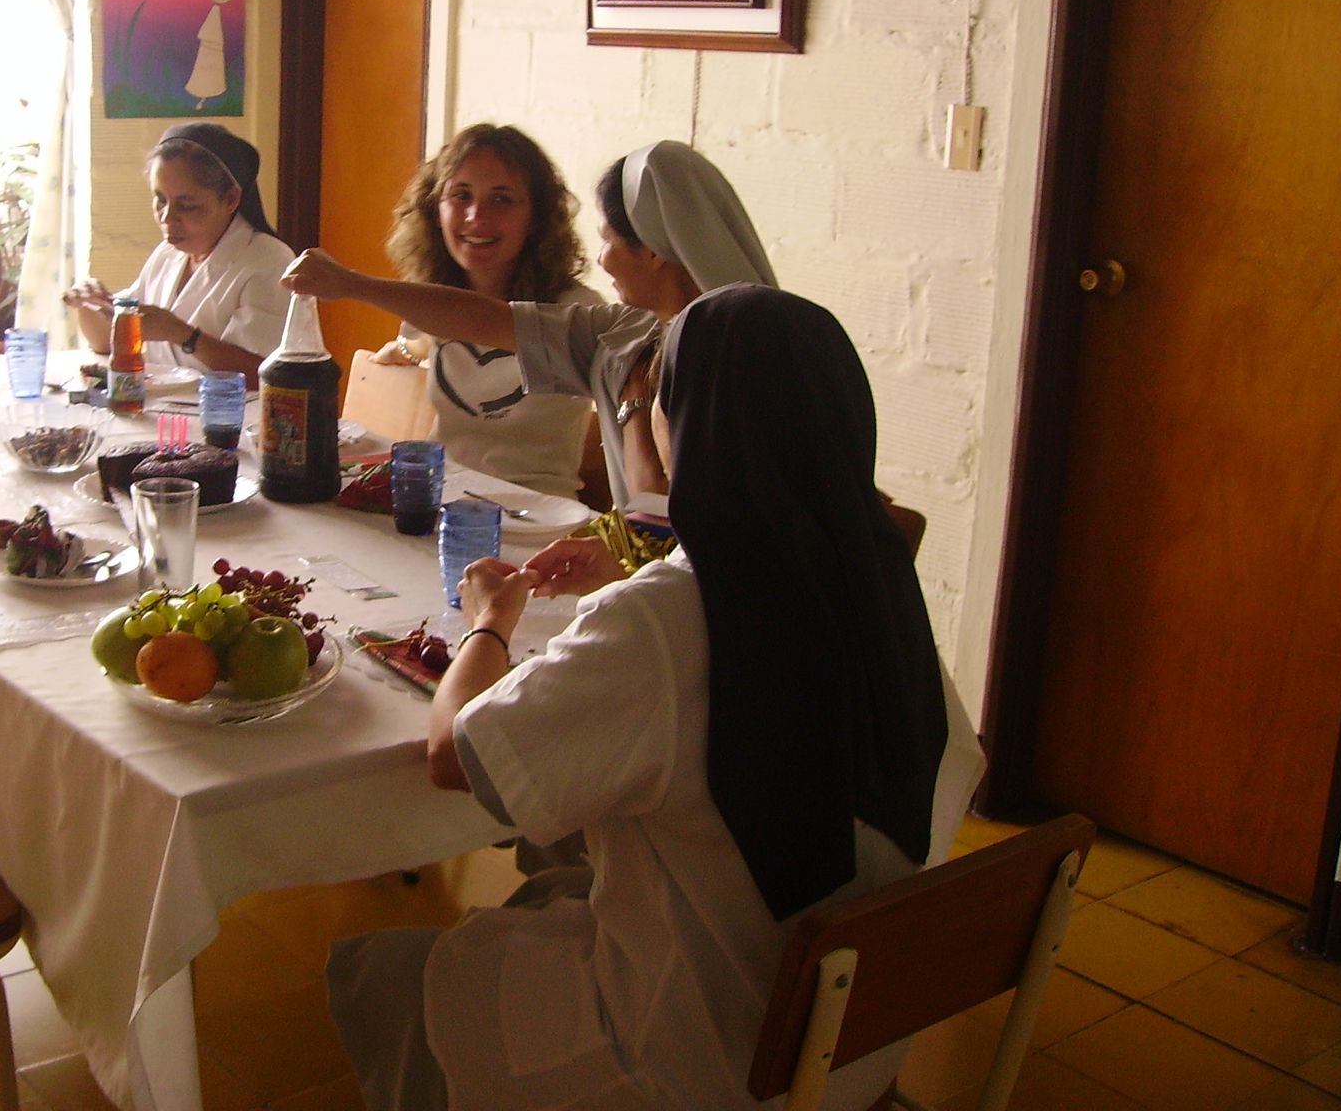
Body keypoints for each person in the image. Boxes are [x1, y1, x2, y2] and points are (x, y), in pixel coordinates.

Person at [325, 284, 985, 1111]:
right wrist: (633, 578)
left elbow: (458, 755)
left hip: (692, 1061)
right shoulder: (882, 588)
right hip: (852, 1043)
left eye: (658, 395)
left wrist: (489, 623)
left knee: (375, 971)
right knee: (557, 895)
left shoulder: (669, 618)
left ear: (691, 422)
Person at [283, 138, 775, 524]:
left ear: (653, 250)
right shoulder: (621, 331)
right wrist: (350, 286)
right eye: (460, 195)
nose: (602, 260)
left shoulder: (728, 365)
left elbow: (665, 512)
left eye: (608, 242)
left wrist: (635, 402)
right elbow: (481, 320)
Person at [378, 125, 601, 499]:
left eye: (501, 199)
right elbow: (424, 343)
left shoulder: (578, 310)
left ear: (536, 217)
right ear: (435, 210)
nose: (476, 215)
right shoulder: (434, 300)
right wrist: (404, 349)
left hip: (538, 515)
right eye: (460, 195)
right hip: (442, 501)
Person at [64, 123, 293, 385]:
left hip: (230, 410)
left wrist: (182, 334)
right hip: (165, 406)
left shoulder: (269, 262)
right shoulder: (168, 255)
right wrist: (89, 303)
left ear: (231, 199)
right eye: (161, 199)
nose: (167, 217)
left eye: (187, 205)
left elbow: (266, 376)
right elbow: (106, 342)